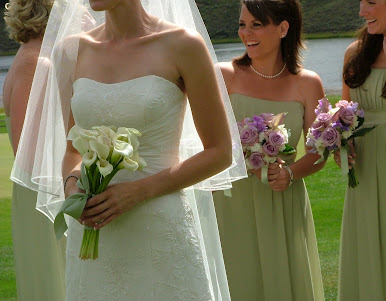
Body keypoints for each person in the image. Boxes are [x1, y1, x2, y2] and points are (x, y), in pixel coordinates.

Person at [10, 0, 247, 299]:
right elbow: (73, 149)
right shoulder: (71, 51)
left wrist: (138, 191)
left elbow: (220, 152)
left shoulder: (184, 45)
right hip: (95, 231)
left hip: (159, 226)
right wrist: (72, 187)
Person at [212, 0, 326, 300]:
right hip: (230, 201)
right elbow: (203, 139)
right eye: (242, 24)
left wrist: (290, 172)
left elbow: (319, 152)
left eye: (256, 24)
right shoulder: (223, 75)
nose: (245, 32)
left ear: (283, 28)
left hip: (282, 201)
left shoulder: (308, 83)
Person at [336, 0, 386, 299]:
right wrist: (338, 139)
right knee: (368, 244)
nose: (362, 11)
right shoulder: (355, 53)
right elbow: (347, 113)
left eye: (371, 2)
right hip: (364, 167)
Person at [3, 1, 66, 299]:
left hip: (49, 191)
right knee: (54, 281)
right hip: (45, 195)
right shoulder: (35, 63)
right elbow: (28, 152)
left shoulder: (38, 58)